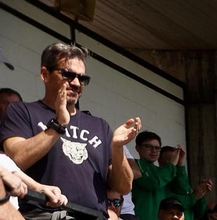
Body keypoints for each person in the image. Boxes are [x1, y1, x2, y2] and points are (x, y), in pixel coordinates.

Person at [0, 43, 137, 211]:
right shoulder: (22, 111)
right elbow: (17, 159)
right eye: (68, 75)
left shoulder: (100, 125)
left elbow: (123, 187)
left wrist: (117, 148)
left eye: (82, 79)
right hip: (44, 219)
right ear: (45, 74)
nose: (76, 83)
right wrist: (59, 124)